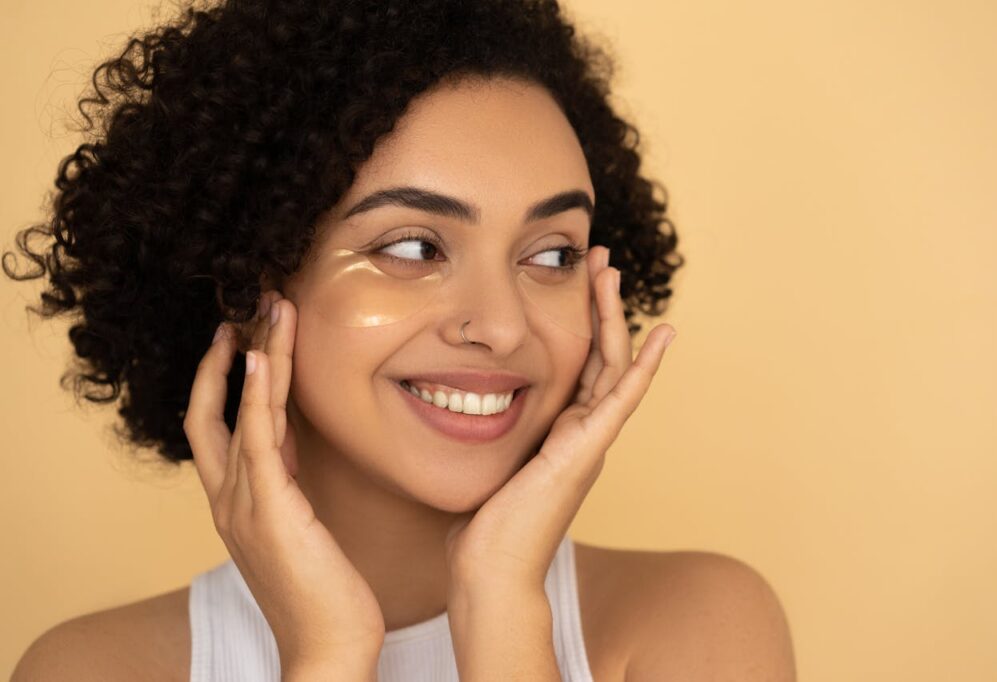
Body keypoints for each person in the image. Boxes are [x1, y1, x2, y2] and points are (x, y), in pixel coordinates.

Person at [7, 0, 796, 679]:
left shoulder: (699, 628)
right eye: (414, 248)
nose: (501, 325)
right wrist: (329, 656)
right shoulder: (91, 671)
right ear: (251, 285)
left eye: (552, 255)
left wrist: (502, 609)